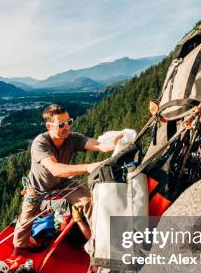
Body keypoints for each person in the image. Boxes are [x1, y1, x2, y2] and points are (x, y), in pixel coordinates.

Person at [13, 103, 121, 252]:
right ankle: (22, 246)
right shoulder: (40, 143)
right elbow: (55, 169)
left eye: (69, 122)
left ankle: (100, 240)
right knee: (22, 232)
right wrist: (88, 167)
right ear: (49, 126)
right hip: (37, 188)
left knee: (89, 200)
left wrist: (111, 145)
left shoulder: (72, 138)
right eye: (61, 124)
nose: (67, 127)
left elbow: (96, 145)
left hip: (61, 183)